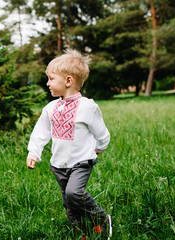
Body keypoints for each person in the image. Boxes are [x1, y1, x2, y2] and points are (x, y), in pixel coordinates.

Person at [26, 49, 112, 239]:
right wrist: (34, 153)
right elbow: (41, 132)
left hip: (81, 162)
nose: (47, 83)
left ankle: (100, 217)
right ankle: (81, 231)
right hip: (59, 164)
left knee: (74, 193)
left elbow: (101, 131)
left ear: (68, 81)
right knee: (69, 203)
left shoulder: (87, 107)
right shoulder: (51, 108)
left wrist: (99, 147)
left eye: (51, 78)